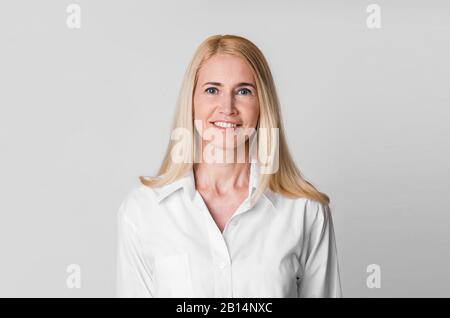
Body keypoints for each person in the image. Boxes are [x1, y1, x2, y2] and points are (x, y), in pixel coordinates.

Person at [116, 34, 343, 297]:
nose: (227, 107)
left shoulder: (304, 211)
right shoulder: (143, 211)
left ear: (262, 105)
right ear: (191, 102)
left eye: (243, 91)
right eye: (212, 90)